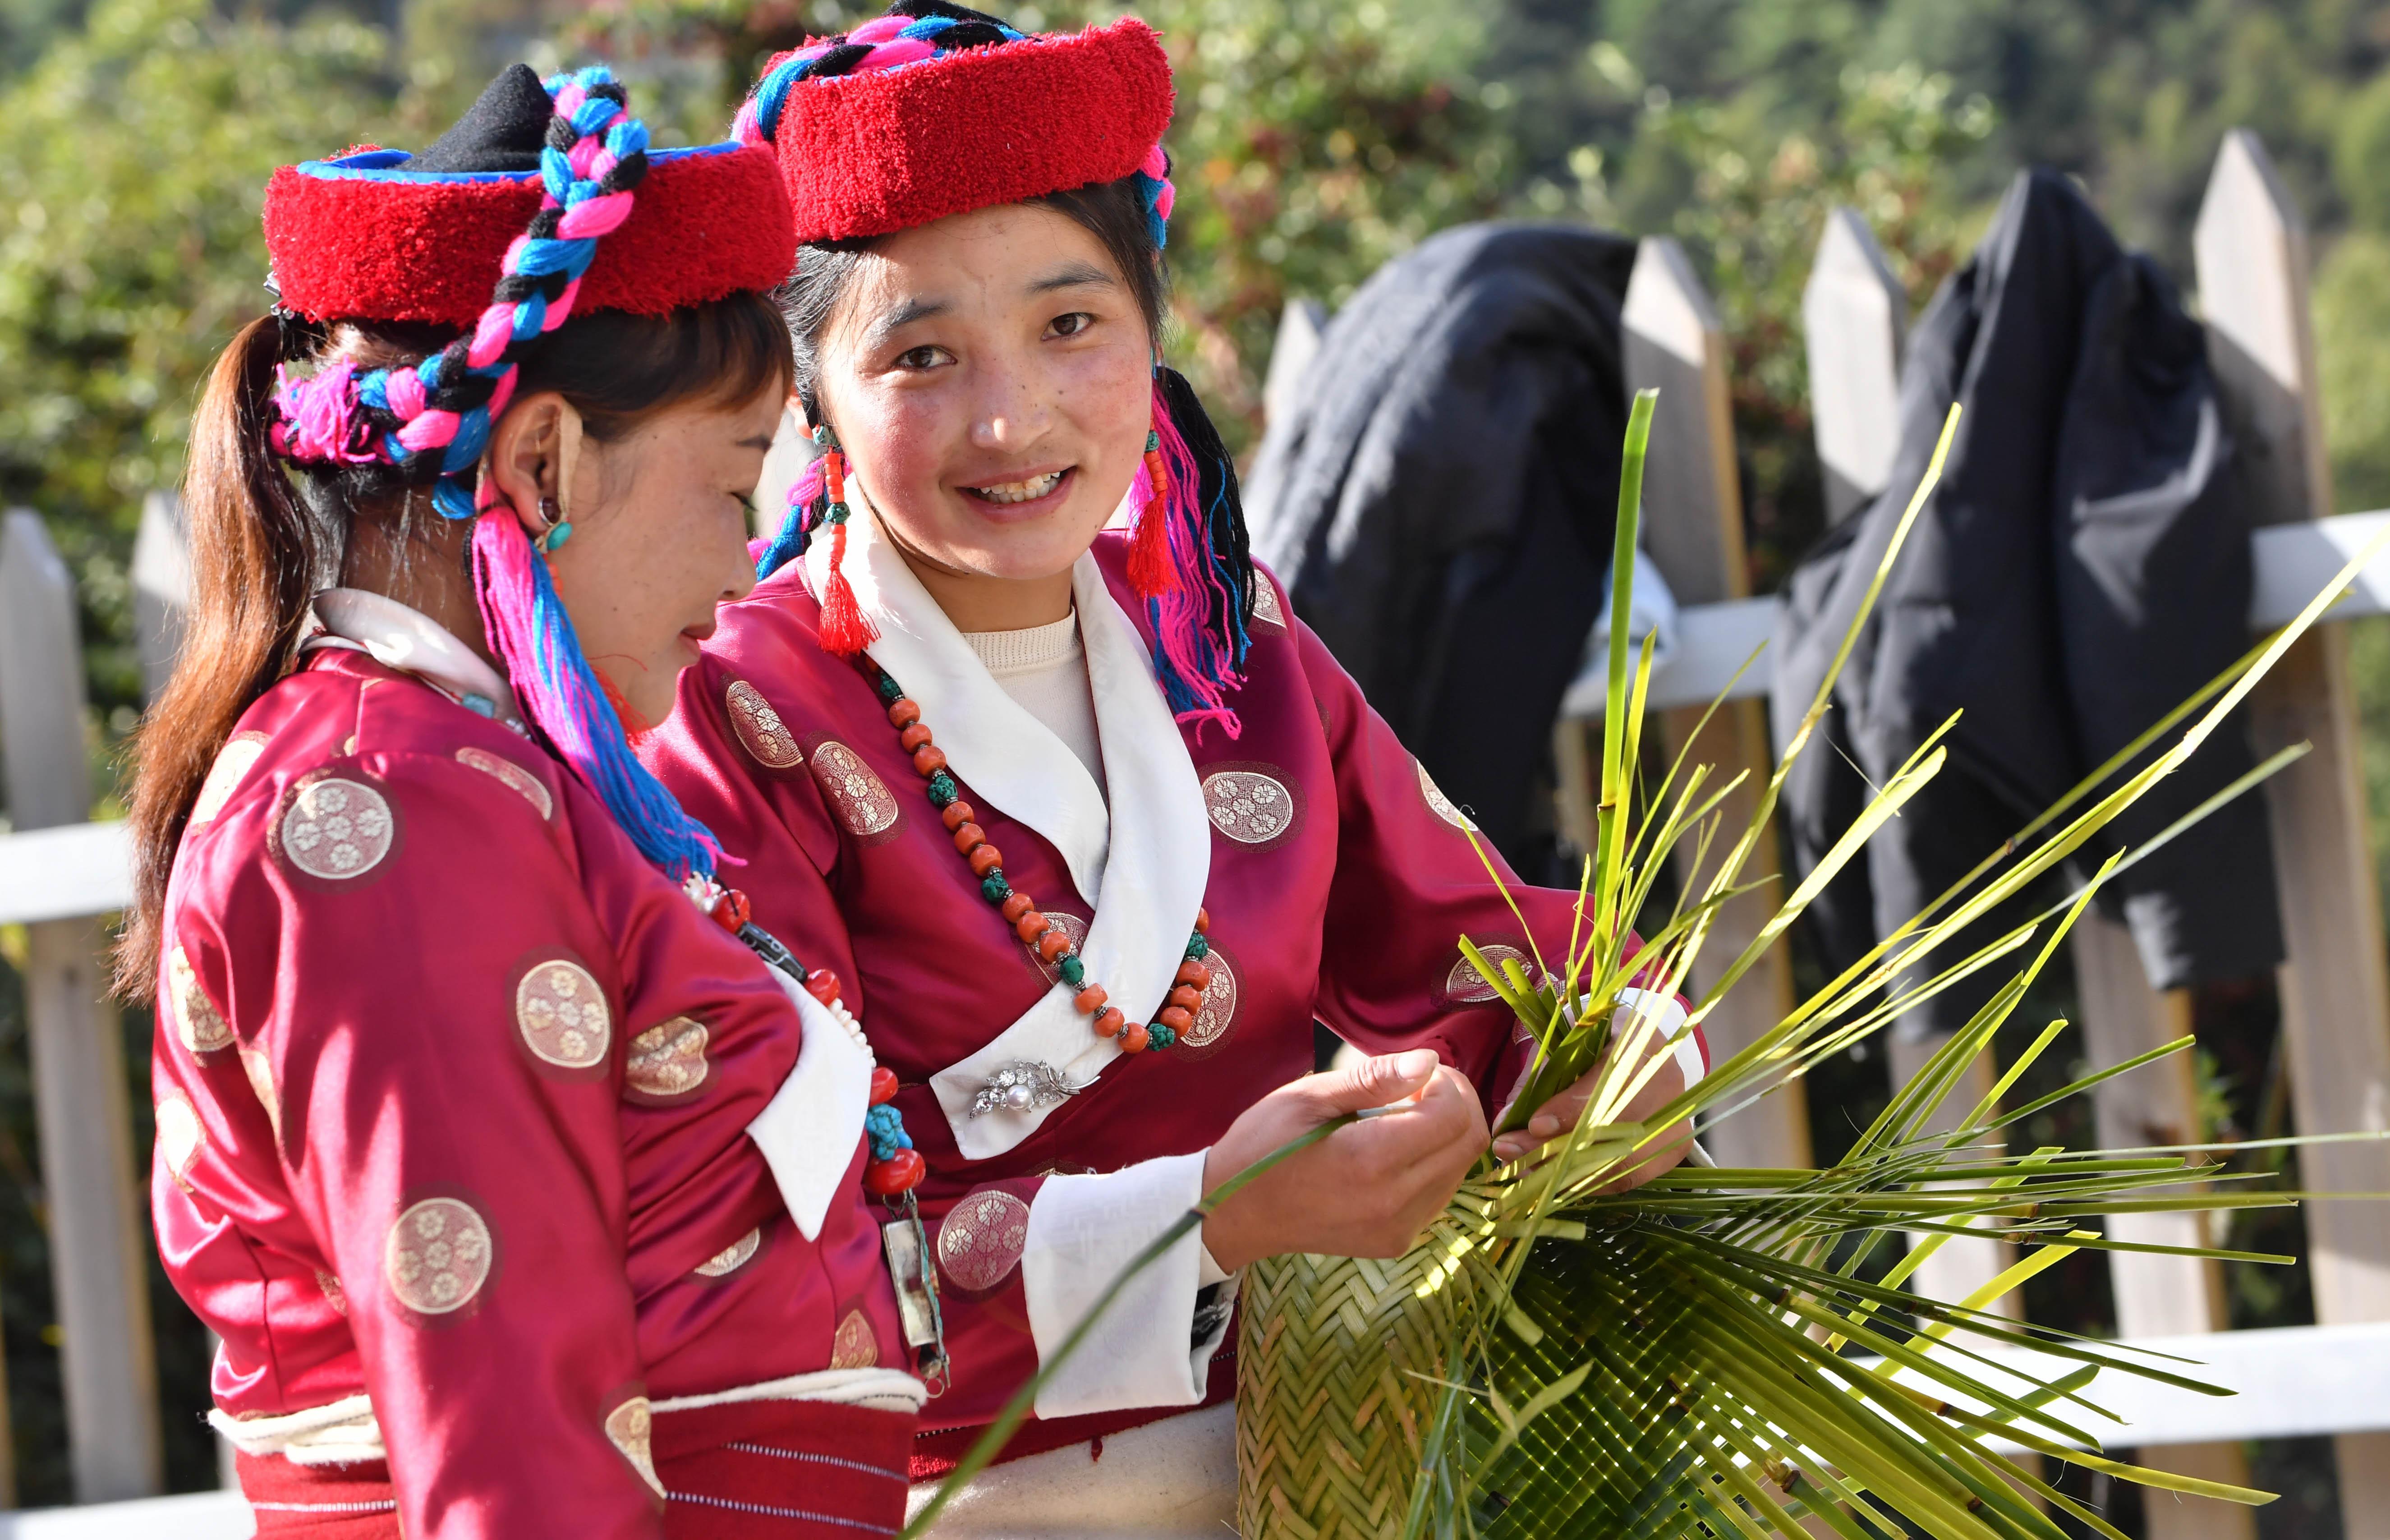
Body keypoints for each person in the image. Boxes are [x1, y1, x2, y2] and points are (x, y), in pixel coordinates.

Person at [641, 4, 1712, 1527]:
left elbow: (1490, 966)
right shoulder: (738, 719)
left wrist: (1621, 1053)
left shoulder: (1231, 651)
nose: (1008, 417)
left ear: (1153, 332)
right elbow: (768, 1251)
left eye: (1071, 324)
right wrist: (1208, 1222)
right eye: (922, 353)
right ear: (807, 390)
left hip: (1320, 1472)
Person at [123, 62, 927, 1539]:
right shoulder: (380, 809)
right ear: (546, 461)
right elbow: (505, 1439)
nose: (743, 564)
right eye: (734, 485)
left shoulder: (460, 778)